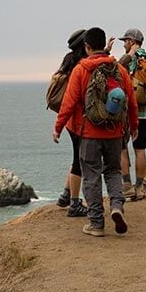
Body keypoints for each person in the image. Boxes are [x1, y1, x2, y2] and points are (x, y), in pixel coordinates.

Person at [54, 27, 139, 237]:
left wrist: (58, 128)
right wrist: (134, 127)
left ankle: (96, 223)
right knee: (113, 171)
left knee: (91, 176)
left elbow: (69, 102)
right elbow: (132, 102)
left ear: (87, 46)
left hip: (89, 134)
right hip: (114, 132)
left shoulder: (81, 70)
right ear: (104, 45)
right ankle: (117, 206)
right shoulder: (118, 70)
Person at [106, 28, 146, 200]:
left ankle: (126, 186)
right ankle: (139, 187)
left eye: (125, 41)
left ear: (131, 41)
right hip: (145, 112)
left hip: (127, 111)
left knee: (122, 148)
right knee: (140, 149)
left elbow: (115, 68)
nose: (124, 44)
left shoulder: (131, 60)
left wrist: (127, 55)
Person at [53, 29, 88, 217]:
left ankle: (66, 195)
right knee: (79, 162)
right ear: (85, 45)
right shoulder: (80, 67)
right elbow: (71, 100)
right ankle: (74, 204)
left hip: (72, 123)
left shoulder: (70, 62)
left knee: (77, 158)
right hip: (79, 122)